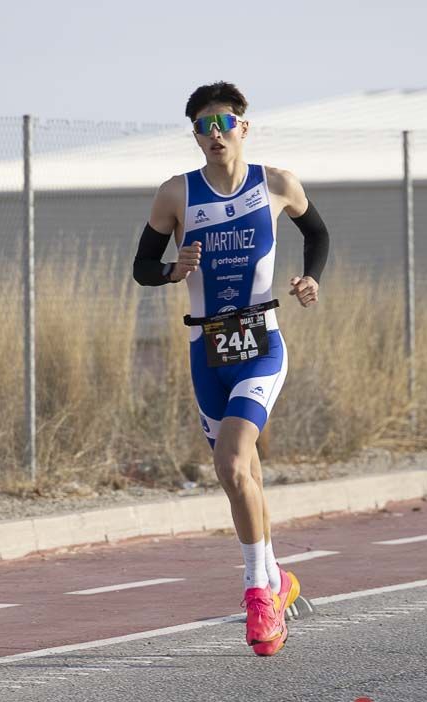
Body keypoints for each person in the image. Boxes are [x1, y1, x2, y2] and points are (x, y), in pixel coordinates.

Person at [133, 81, 330, 656]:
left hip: (263, 341)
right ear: (193, 135)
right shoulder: (176, 195)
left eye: (224, 123)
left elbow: (316, 231)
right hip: (207, 350)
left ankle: (256, 594)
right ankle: (276, 579)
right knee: (240, 477)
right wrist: (174, 269)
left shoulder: (277, 184)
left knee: (233, 459)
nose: (214, 134)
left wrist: (310, 277)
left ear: (244, 127)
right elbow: (143, 267)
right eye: (203, 126)